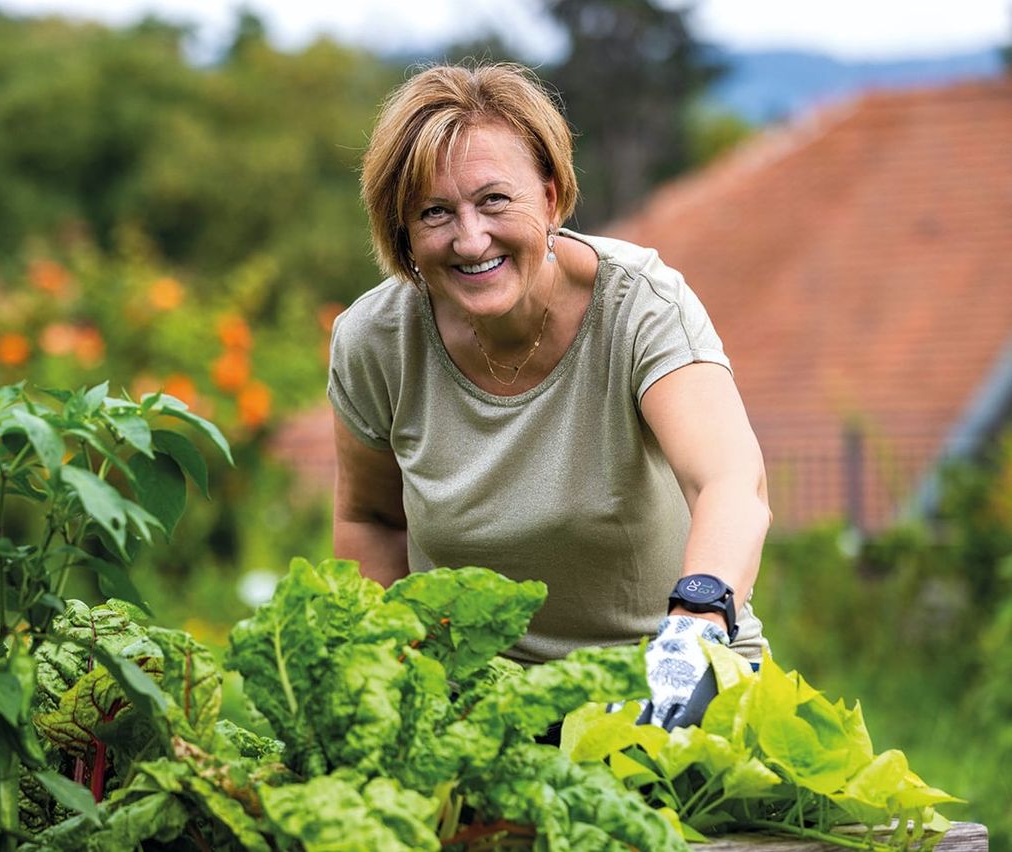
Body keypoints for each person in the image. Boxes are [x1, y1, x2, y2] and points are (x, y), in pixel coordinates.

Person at [327, 62, 771, 729]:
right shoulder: (376, 340)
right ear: (403, 232)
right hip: (485, 709)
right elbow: (371, 522)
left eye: (494, 200)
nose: (470, 239)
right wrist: (395, 676)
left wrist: (694, 626)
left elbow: (731, 483)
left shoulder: (641, 307)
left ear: (552, 197)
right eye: (435, 212)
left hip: (665, 689)